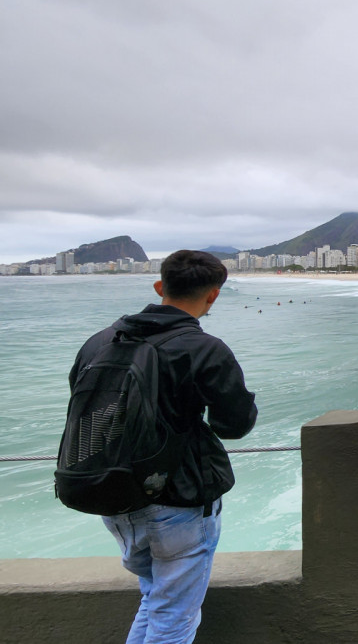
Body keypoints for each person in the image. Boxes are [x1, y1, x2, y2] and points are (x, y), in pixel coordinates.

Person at [69, 250, 257, 643]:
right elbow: (234, 425)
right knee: (174, 619)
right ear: (213, 296)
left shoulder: (100, 341)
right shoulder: (205, 348)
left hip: (114, 496)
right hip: (179, 502)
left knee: (155, 600)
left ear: (159, 287)